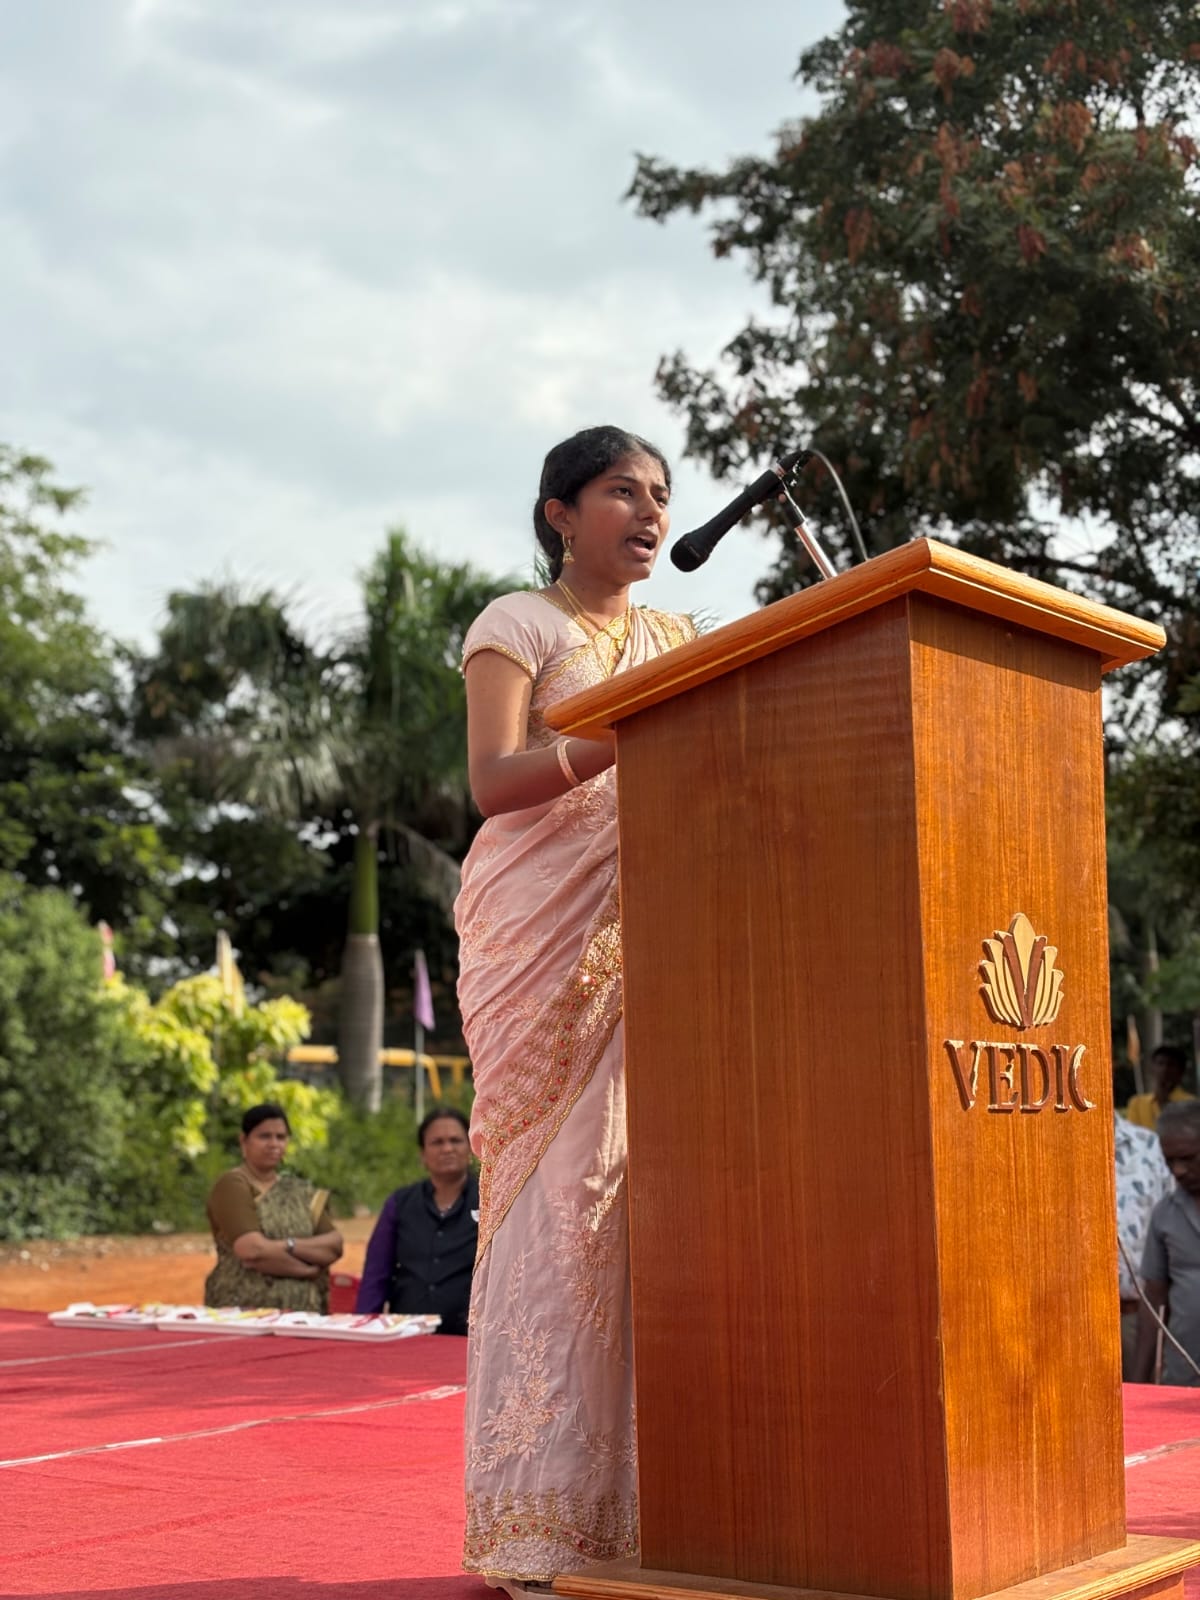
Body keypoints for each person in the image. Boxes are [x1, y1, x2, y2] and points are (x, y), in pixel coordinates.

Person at [454, 426, 697, 1595]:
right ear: (559, 512)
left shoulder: (680, 641)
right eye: (620, 491)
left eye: (660, 494)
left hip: (657, 938)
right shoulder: (518, 623)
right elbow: (493, 780)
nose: (648, 512)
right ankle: (538, 1529)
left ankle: (640, 1516)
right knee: (556, 1212)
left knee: (637, 1217)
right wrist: (616, 738)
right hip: (536, 941)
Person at [205, 1102, 344, 1312]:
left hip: (305, 1314)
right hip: (244, 1312)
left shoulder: (301, 1191)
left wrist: (287, 1246)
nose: (274, 1144)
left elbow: (334, 1245)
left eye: (281, 1137)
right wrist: (306, 1271)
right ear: (244, 1141)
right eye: (264, 1136)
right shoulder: (233, 1185)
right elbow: (252, 1250)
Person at [355, 1106, 478, 1334]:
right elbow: (376, 1274)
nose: (447, 1148)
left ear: (470, 1148)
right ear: (423, 1155)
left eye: (455, 1140)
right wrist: (363, 1328)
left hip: (468, 1338)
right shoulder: (400, 1203)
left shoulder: (491, 1201)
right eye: (437, 1142)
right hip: (407, 1335)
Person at [1131, 1100, 1200, 1387]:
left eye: (1187, 1158)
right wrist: (1138, 1385)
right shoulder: (1164, 1215)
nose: (1178, 1170)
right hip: (1184, 1379)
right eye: (1170, 1161)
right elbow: (1154, 1302)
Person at [1113, 1112, 1173, 1378]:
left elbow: (1175, 1222)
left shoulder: (1148, 1146)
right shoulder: (1052, 1149)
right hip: (1073, 1321)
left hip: (1138, 1317)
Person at [1124, 1044, 1196, 1129]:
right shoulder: (1137, 1103)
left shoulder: (1191, 1104)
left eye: (1171, 1064)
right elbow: (1132, 1133)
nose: (1165, 1069)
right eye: (1160, 1063)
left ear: (1181, 1071)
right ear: (1151, 1069)